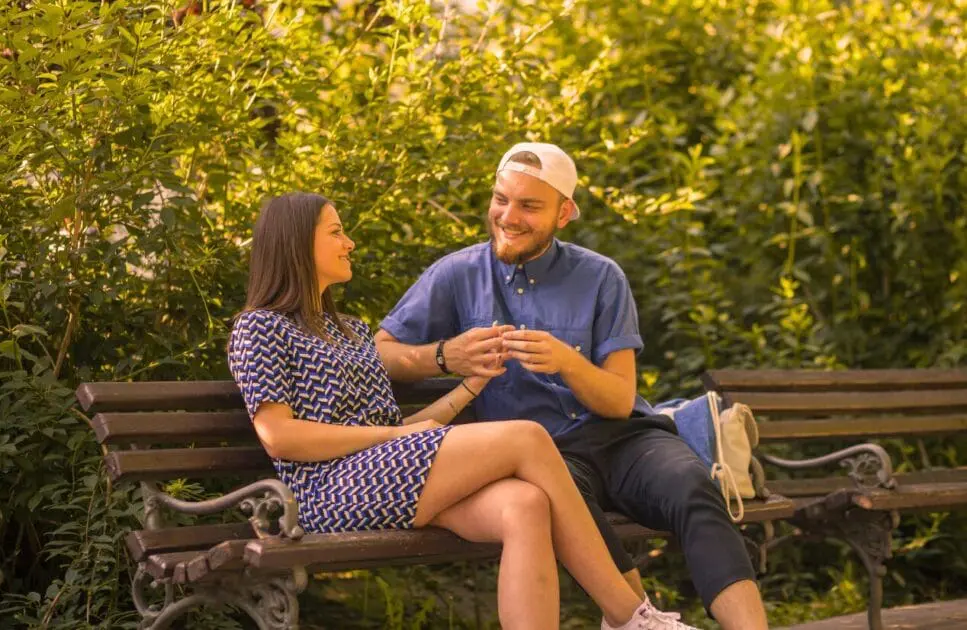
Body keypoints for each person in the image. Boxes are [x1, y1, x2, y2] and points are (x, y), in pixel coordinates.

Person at [227, 192, 699, 630]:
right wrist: (393, 438)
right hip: (324, 493)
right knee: (527, 437)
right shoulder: (260, 329)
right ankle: (628, 615)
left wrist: (471, 385)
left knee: (525, 505)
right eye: (335, 232)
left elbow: (394, 429)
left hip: (384, 474)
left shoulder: (349, 330)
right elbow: (279, 436)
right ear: (294, 244)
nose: (349, 242)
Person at [374, 143, 770, 630]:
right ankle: (637, 619)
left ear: (565, 213)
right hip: (540, 455)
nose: (508, 216)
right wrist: (443, 355)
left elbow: (620, 400)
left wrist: (567, 362)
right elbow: (380, 352)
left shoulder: (602, 277)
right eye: (501, 199)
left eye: (529, 206)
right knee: (562, 492)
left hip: (624, 439)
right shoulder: (457, 274)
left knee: (694, 487)